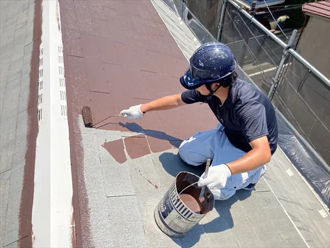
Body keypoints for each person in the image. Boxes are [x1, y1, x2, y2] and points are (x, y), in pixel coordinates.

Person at [120, 42, 278, 200]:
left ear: (215, 84)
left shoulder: (248, 106)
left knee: (211, 190)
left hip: (247, 149)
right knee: (186, 153)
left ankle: (254, 172)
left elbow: (263, 152)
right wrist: (141, 109)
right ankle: (220, 159)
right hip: (228, 133)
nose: (194, 85)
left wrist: (227, 169)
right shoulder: (210, 90)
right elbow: (176, 100)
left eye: (197, 81)